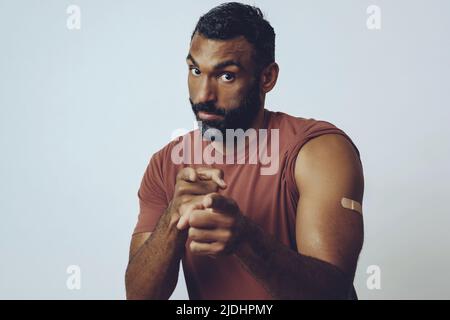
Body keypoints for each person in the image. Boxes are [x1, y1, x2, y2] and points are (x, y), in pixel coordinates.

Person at [125, 2, 364, 300]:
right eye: (196, 70)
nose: (203, 96)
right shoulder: (166, 165)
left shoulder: (318, 151)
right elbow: (139, 297)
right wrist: (173, 218)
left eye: (226, 76)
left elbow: (333, 294)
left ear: (267, 78)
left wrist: (246, 240)